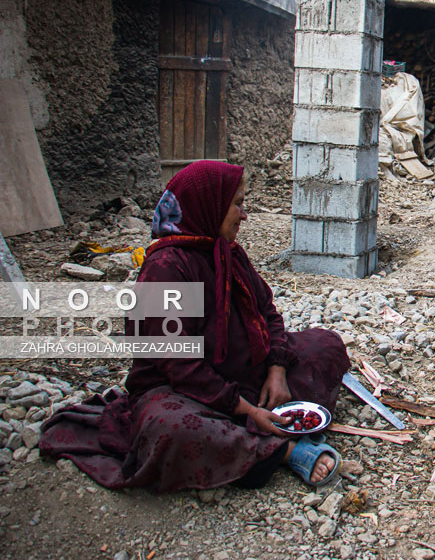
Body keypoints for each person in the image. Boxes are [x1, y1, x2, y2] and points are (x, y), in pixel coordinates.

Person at [40, 161, 350, 491]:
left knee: (325, 345)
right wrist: (244, 408)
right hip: (184, 390)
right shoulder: (166, 268)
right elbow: (180, 365)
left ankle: (254, 422)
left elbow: (267, 311)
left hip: (246, 373)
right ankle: (281, 450)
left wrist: (276, 370)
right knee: (173, 429)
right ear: (208, 205)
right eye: (237, 204)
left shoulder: (228, 251)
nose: (243, 215)